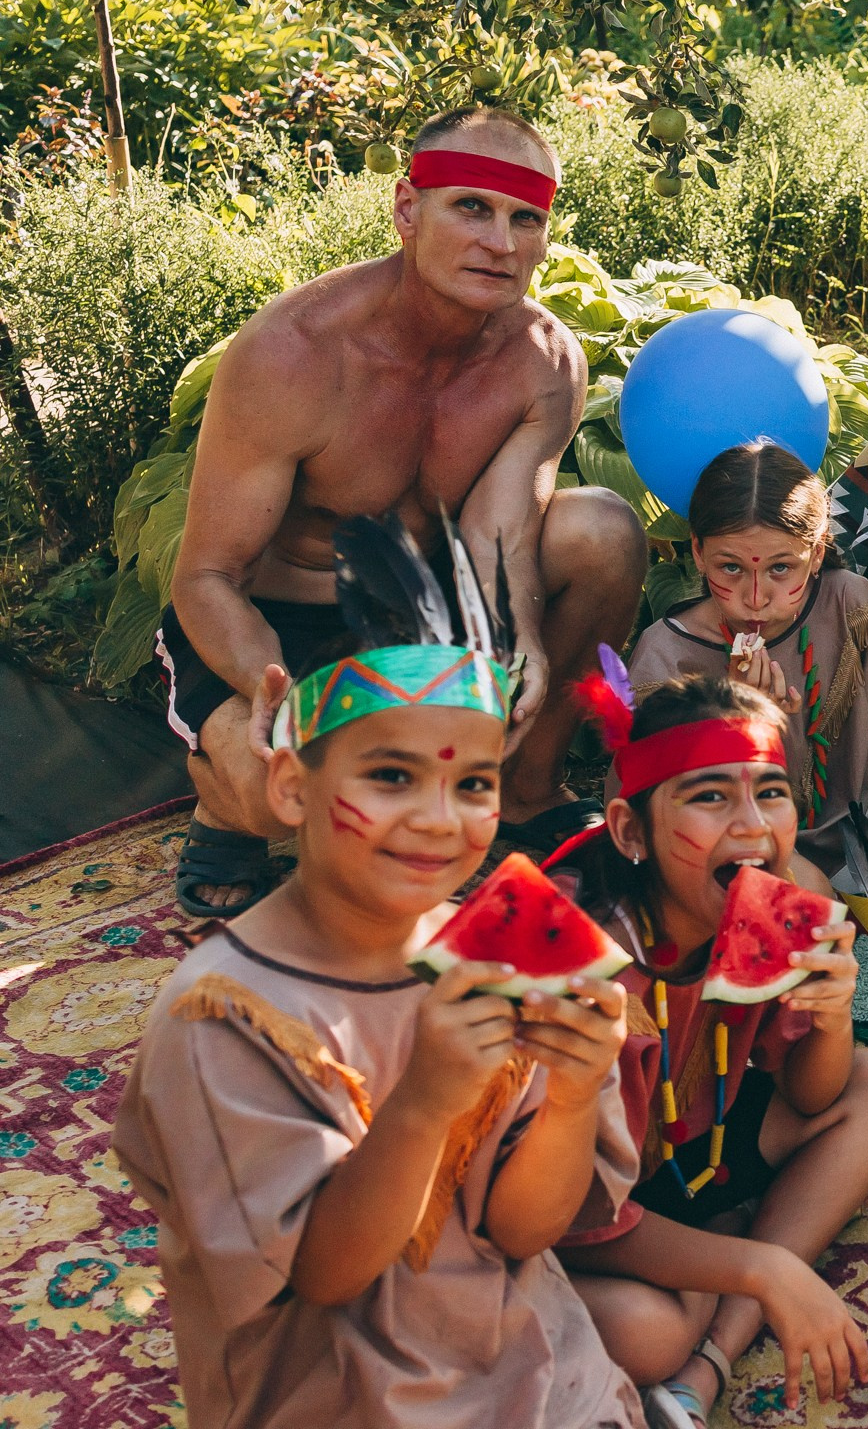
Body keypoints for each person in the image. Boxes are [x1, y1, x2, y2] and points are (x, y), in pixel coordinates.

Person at [114, 514, 643, 1429]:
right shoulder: (218, 1018)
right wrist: (427, 1102)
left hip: (532, 1377)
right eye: (392, 776)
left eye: (473, 784)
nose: (440, 820)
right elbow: (327, 1275)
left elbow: (524, 1231)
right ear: (291, 786)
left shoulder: (490, 958)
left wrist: (571, 1095)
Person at [160, 105, 649, 919]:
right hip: (278, 623)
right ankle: (222, 805)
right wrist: (271, 687)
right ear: (407, 209)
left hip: (420, 610)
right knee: (279, 795)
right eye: (472, 208)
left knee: (602, 529)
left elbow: (500, 538)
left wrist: (522, 640)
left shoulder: (543, 360)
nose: (501, 243)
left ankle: (526, 790)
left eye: (525, 219)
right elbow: (208, 575)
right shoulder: (294, 352)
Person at [551, 673, 868, 1428]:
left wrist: (832, 1017)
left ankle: (709, 1365)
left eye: (771, 792)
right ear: (630, 832)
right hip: (578, 1200)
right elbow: (576, 1212)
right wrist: (764, 1265)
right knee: (647, 1334)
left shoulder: (771, 906)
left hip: (691, 1147)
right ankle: (737, 1253)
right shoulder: (587, 966)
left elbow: (813, 1096)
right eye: (710, 796)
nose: (753, 825)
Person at [626, 440, 868, 871]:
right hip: (725, 855)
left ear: (816, 555)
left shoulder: (848, 604)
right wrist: (735, 721)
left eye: (780, 568)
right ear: (699, 553)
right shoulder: (666, 656)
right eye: (731, 568)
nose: (756, 598)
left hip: (850, 845)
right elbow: (660, 809)